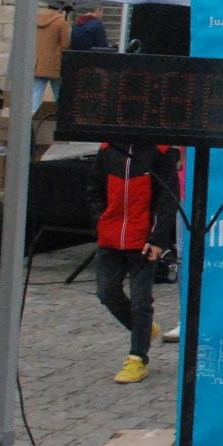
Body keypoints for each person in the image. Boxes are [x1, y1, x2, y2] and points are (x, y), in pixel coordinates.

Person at [87, 140, 181, 384]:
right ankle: (144, 329)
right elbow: (94, 189)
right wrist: (102, 221)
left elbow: (168, 200)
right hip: (110, 238)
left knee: (141, 301)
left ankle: (138, 357)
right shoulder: (107, 150)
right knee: (106, 292)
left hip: (143, 241)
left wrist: (157, 239)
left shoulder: (161, 152)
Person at [34, 3, 72, 112]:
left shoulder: (36, 18)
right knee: (59, 93)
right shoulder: (61, 22)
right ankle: (62, 116)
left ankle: (30, 118)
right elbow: (66, 44)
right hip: (55, 63)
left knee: (35, 93)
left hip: (38, 62)